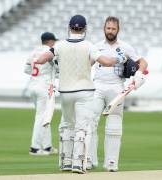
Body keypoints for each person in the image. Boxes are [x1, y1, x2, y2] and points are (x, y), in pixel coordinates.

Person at [36, 15, 127, 173]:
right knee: (82, 128)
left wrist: (53, 62)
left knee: (66, 125)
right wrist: (120, 58)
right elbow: (105, 62)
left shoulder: (59, 45)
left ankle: (65, 161)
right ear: (84, 29)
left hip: (65, 92)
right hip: (84, 92)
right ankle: (78, 163)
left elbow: (41, 59)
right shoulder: (89, 46)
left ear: (69, 27)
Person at [87, 16, 148, 172]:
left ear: (118, 30)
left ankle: (111, 162)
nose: (110, 31)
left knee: (114, 126)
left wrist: (139, 74)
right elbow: (87, 64)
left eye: (113, 29)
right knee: (90, 123)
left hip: (116, 88)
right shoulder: (96, 46)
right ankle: (88, 159)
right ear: (104, 29)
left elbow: (143, 62)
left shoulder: (126, 47)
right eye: (108, 28)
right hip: (98, 87)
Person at [24, 32, 59, 156]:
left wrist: (38, 75)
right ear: (50, 41)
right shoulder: (50, 52)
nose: (55, 43)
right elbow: (58, 69)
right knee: (41, 117)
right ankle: (34, 148)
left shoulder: (33, 52)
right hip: (44, 88)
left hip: (33, 86)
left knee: (45, 116)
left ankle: (47, 146)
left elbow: (27, 70)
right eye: (54, 41)